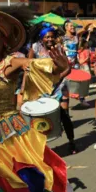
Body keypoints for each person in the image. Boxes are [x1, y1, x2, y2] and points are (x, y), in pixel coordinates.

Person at [0, 4, 83, 192]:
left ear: (4, 38)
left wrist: (59, 66)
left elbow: (40, 67)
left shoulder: (12, 62)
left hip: (6, 135)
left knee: (15, 186)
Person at [28, 23, 78, 154]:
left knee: (64, 115)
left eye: (51, 37)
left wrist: (56, 80)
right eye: (46, 37)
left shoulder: (59, 49)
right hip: (41, 87)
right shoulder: (35, 48)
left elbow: (67, 68)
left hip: (58, 86)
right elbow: (28, 67)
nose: (49, 39)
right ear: (41, 38)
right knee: (41, 117)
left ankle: (71, 142)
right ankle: (42, 148)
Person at [62, 19, 91, 107]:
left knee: (80, 81)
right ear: (66, 27)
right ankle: (64, 103)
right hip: (65, 64)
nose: (73, 27)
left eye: (73, 26)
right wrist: (62, 48)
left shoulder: (76, 37)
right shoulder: (62, 38)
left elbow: (83, 30)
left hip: (75, 63)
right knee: (64, 84)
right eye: (71, 26)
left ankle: (82, 99)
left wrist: (87, 24)